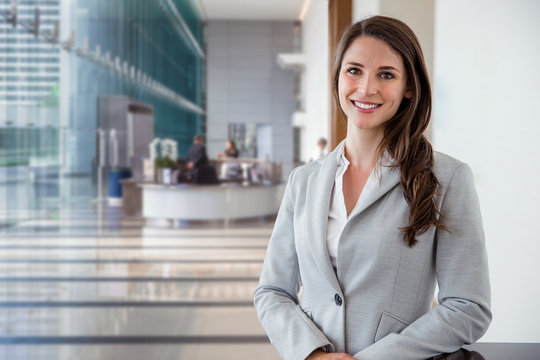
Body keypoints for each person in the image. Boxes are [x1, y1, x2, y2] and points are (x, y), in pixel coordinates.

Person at [253, 16, 491, 360]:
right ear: (337, 77)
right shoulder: (303, 181)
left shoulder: (448, 178)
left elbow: (469, 307)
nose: (366, 88)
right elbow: (272, 292)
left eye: (386, 74)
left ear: (409, 87)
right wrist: (311, 353)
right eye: (354, 70)